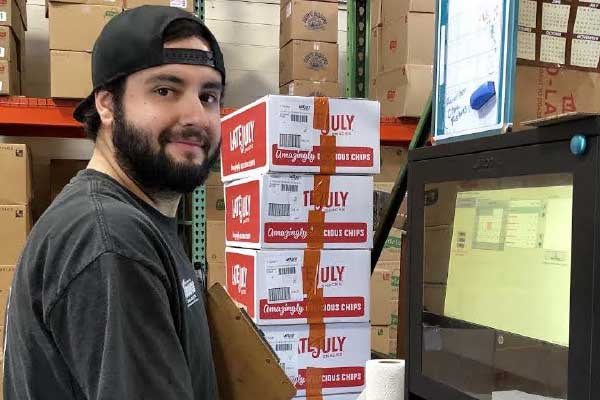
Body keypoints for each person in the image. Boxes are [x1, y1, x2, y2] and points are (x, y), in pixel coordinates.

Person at [3, 5, 225, 399]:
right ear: (106, 104)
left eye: (208, 96)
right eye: (165, 90)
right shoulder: (110, 238)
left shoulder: (135, 219)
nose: (195, 115)